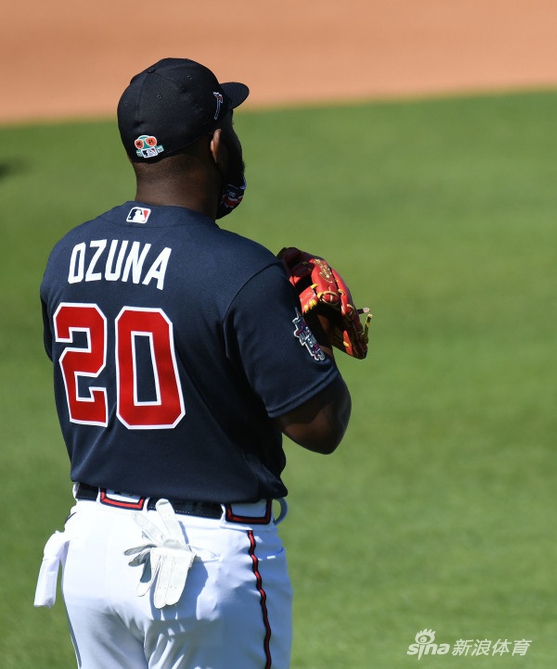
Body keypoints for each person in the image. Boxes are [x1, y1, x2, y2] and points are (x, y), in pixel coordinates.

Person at [35, 57, 352, 669]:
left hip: (93, 549)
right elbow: (320, 427)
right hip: (206, 565)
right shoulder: (242, 271)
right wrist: (311, 337)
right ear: (214, 142)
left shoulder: (66, 256)